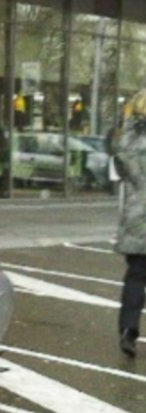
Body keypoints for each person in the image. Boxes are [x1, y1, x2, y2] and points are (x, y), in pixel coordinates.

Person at [114, 89, 146, 357]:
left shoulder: (128, 141)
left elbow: (123, 168)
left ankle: (128, 330)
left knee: (136, 277)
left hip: (137, 216)